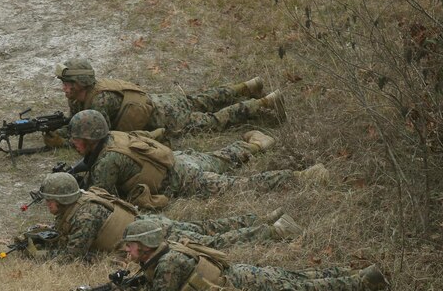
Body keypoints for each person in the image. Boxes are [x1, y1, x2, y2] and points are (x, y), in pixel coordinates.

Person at [65, 110, 327, 208]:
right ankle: (256, 145)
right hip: (178, 160)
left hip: (182, 179)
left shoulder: (107, 162)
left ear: (90, 139)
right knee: (218, 158)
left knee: (241, 186)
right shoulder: (113, 137)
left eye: (77, 139)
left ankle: (303, 177)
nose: (74, 144)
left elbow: (103, 202)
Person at [27, 173, 304, 263]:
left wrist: (35, 255)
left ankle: (274, 231)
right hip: (153, 225)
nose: (47, 204)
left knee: (214, 241)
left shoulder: (84, 215)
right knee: (208, 228)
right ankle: (264, 218)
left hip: (156, 236)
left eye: (50, 200)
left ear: (63, 199)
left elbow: (71, 257)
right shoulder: (83, 199)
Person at [118, 218, 389, 291]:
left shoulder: (167, 263)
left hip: (247, 284)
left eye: (130, 246)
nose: (127, 251)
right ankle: (352, 271)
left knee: (305, 289)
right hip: (243, 274)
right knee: (299, 277)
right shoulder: (167, 252)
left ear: (145, 245)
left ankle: (367, 282)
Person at [47, 58, 284, 145]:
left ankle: (265, 103)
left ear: (80, 83)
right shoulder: (82, 96)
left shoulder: (99, 102)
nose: (63, 87)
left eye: (67, 83)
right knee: (203, 99)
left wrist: (64, 141)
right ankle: (249, 86)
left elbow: (99, 139)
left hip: (168, 118)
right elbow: (75, 121)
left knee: (215, 120)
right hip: (161, 101)